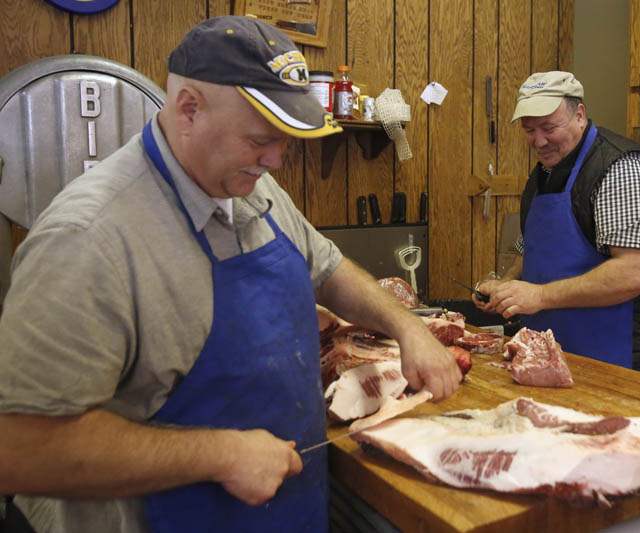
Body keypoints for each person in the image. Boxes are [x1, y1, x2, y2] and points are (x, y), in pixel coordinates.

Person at [0, 16, 461, 533]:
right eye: (260, 138)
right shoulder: (87, 239)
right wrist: (218, 454)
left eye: (285, 140)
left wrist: (408, 327)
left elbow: (328, 269)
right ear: (189, 109)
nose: (276, 160)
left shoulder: (248, 185)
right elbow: (20, 448)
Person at [475, 71, 640, 375]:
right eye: (529, 129)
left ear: (580, 115)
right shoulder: (545, 172)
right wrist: (507, 286)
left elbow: (638, 271)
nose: (538, 141)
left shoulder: (624, 169)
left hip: (620, 358)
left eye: (549, 127)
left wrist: (539, 296)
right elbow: (533, 245)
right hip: (552, 356)